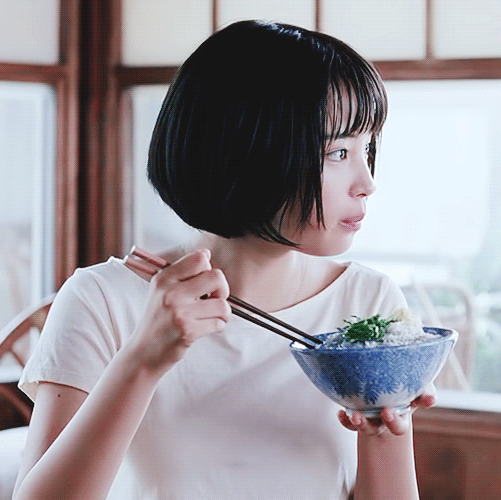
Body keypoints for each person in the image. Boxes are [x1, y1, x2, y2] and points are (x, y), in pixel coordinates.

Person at [13, 20, 434, 500]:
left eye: (368, 148)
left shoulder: (369, 303)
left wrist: (384, 428)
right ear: (252, 150)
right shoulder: (104, 300)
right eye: (338, 152)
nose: (367, 182)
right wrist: (142, 360)